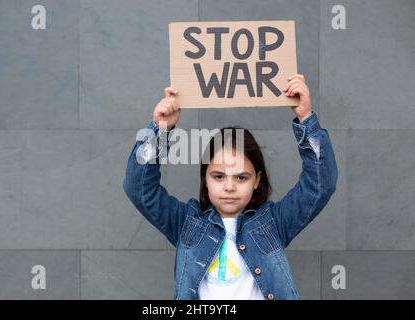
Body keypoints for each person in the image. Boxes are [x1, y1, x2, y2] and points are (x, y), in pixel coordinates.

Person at [123, 74, 338, 300]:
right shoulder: (186, 223)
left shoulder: (274, 223)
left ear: (257, 180)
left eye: (241, 178)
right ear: (205, 178)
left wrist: (306, 119)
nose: (229, 187)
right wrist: (160, 129)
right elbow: (138, 188)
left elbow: (320, 184)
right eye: (218, 176)